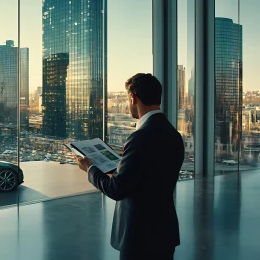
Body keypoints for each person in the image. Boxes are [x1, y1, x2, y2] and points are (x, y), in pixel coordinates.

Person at [76, 73, 185, 260]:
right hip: (164, 233)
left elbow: (116, 190)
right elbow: (150, 173)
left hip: (139, 237)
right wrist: (120, 164)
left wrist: (90, 168)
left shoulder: (140, 137)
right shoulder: (174, 134)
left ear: (133, 97)